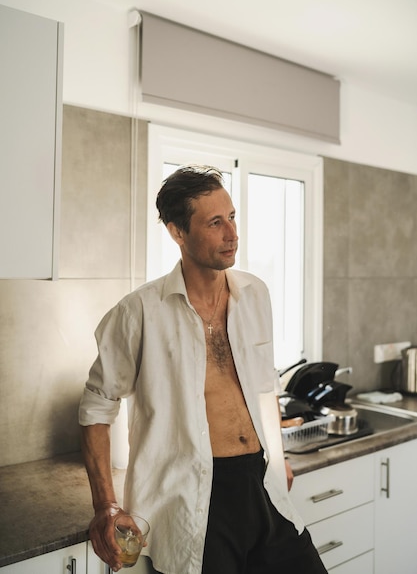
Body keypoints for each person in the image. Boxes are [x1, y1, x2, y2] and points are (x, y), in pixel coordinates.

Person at [79, 165, 327, 574]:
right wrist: (105, 505)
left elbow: (263, 387)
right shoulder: (139, 311)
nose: (232, 233)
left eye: (232, 217)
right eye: (215, 222)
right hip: (196, 500)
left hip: (264, 486)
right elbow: (96, 406)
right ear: (178, 232)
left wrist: (277, 456)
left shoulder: (255, 294)